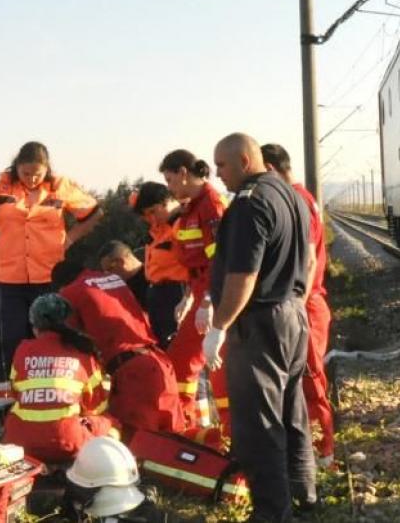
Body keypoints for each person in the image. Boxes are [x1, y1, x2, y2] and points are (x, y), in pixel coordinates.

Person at [203, 132, 316, 521]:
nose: (217, 174)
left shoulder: (250, 203)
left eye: (221, 165)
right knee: (291, 413)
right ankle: (303, 494)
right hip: (292, 316)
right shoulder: (292, 196)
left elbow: (243, 276)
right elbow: (311, 258)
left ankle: (272, 514)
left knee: (259, 426)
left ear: (245, 162)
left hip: (259, 325)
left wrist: (218, 326)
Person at [0, 141, 103, 403]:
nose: (31, 179)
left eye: (37, 174)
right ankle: (6, 404)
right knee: (9, 343)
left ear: (47, 169)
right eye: (25, 173)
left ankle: (49, 397)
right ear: (16, 167)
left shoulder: (60, 186)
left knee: (52, 338)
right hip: (4, 279)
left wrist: (70, 239)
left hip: (47, 276)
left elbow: (94, 212)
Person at [260, 142, 334, 466]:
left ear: (272, 169)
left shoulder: (297, 201)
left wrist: (298, 306)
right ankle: (312, 451)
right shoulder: (303, 198)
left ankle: (322, 452)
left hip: (306, 304)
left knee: (308, 378)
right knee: (303, 379)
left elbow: (305, 259)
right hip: (308, 302)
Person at [54, 259, 185, 435]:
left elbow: (71, 342)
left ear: (62, 285)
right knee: (175, 444)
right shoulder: (112, 279)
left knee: (135, 445)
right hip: (159, 361)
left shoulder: (71, 292)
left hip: (133, 373)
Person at [3, 293, 119, 464]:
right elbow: (95, 407)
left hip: (20, 442)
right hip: (68, 442)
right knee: (111, 423)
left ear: (35, 327)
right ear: (71, 324)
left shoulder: (23, 350)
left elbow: (14, 393)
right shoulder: (84, 353)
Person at [158, 149, 229, 428]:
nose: (170, 188)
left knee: (216, 368)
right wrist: (189, 297)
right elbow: (195, 259)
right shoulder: (192, 206)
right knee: (180, 361)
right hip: (201, 291)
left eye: (170, 180)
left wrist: (208, 302)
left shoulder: (211, 205)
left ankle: (225, 431)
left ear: (184, 173)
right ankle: (186, 424)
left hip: (216, 293)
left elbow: (220, 260)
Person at [125, 183, 188, 344]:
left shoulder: (184, 222)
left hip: (178, 292)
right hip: (157, 292)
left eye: (153, 212)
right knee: (161, 346)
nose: (151, 219)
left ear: (167, 201)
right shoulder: (158, 227)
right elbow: (134, 200)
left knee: (177, 346)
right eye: (146, 215)